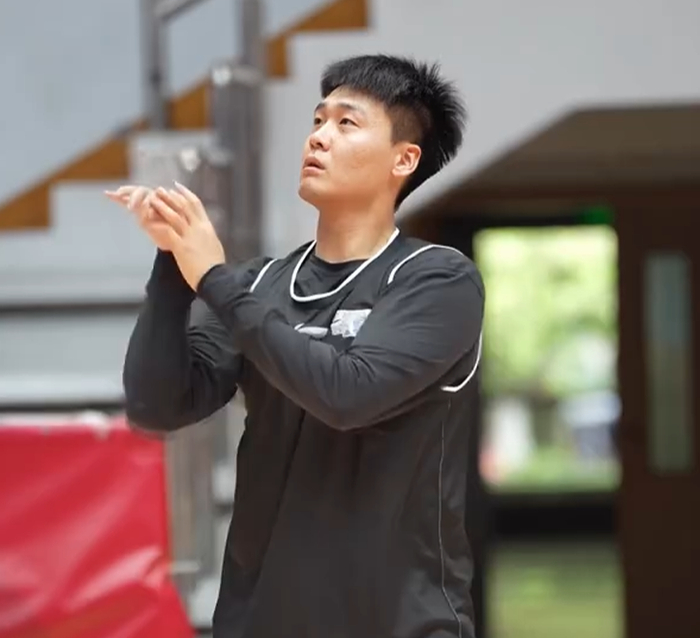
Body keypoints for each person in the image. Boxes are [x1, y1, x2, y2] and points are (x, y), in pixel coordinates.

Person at [107, 54, 484, 638]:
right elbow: (156, 404)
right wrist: (173, 267)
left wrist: (213, 278)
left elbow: (346, 395)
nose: (319, 137)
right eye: (317, 120)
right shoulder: (258, 284)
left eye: (346, 123)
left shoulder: (436, 280)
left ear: (403, 159)